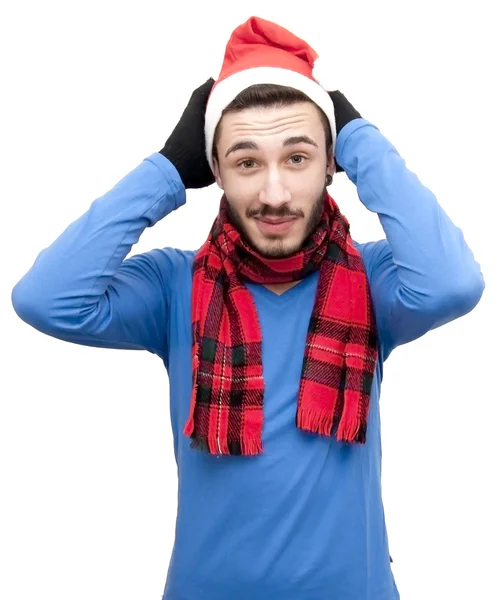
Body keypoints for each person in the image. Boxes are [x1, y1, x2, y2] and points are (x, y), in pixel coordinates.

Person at [11, 15, 485, 600]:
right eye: (246, 162)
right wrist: (165, 169)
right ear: (214, 171)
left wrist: (358, 136)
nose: (275, 195)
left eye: (297, 157)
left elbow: (453, 284)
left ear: (331, 163)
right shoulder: (173, 285)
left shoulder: (374, 279)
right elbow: (46, 298)